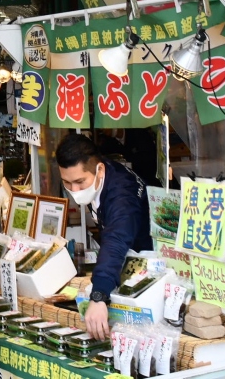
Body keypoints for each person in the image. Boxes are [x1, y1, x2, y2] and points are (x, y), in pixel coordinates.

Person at [56, 133, 151, 341]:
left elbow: (115, 241)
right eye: (67, 183)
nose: (74, 190)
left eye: (80, 182)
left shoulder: (122, 195)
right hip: (128, 267)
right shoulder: (101, 176)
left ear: (99, 170)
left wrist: (99, 295)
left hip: (149, 270)